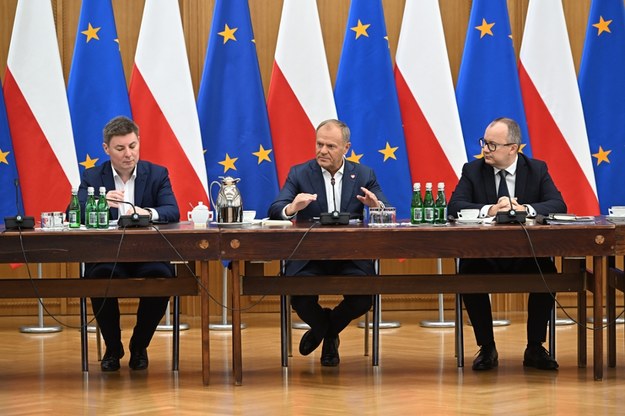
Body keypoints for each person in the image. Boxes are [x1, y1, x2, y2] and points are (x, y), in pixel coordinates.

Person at [448, 117, 566, 371]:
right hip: (484, 256)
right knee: (468, 275)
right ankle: (487, 347)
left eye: (492, 145)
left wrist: (524, 208)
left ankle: (535, 347)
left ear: (513, 148)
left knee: (548, 275)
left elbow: (558, 205)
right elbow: (454, 207)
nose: (485, 150)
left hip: (527, 256)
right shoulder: (473, 170)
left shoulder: (536, 169)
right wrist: (491, 209)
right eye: (484, 143)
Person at [268, 119, 388, 366]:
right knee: (300, 297)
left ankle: (325, 331)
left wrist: (376, 207)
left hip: (350, 255)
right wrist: (293, 207)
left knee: (363, 298)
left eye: (330, 146)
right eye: (319, 144)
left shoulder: (364, 174)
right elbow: (275, 209)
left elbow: (385, 210)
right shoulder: (299, 173)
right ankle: (328, 331)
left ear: (346, 148)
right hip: (310, 256)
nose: (322, 151)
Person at [75, 116, 180, 371]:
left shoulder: (156, 173)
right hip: (108, 256)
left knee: (162, 278)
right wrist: (96, 204)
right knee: (99, 278)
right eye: (120, 148)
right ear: (106, 149)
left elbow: (172, 210)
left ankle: (139, 345)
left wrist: (149, 213)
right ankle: (112, 347)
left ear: (139, 142)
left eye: (133, 146)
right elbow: (75, 212)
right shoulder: (93, 177)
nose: (128, 154)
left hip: (148, 255)